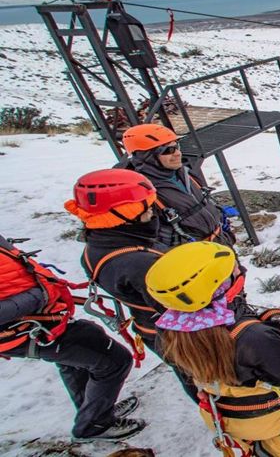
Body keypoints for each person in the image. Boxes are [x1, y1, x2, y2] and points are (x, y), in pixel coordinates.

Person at [146, 241, 280, 457]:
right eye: (232, 270)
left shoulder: (172, 331)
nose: (238, 269)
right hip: (273, 419)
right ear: (220, 286)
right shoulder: (254, 338)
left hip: (229, 417)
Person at [64, 168, 198, 401]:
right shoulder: (137, 262)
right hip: (180, 336)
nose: (152, 214)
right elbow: (190, 306)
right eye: (145, 209)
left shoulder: (104, 245)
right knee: (203, 379)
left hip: (154, 329)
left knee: (190, 375)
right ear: (122, 215)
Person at [0, 234, 144, 441]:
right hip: (27, 328)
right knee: (114, 361)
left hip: (42, 321)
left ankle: (93, 411)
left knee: (76, 360)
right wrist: (41, 294)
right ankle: (94, 424)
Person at [121, 123, 235, 247]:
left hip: (219, 242)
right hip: (193, 258)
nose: (177, 153)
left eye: (177, 147)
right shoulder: (141, 194)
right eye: (168, 150)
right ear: (148, 157)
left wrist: (225, 232)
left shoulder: (185, 173)